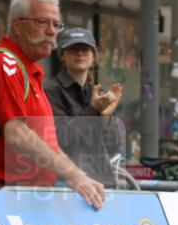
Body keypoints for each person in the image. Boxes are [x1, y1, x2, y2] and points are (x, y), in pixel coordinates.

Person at [0, 0, 104, 208]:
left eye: (56, 24)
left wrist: (80, 176)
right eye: (42, 22)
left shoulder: (28, 71)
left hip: (20, 200)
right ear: (17, 26)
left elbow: (48, 143)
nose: (51, 31)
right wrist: (74, 176)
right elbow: (17, 134)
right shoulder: (3, 64)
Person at [44, 27, 124, 187]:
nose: (79, 53)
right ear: (62, 55)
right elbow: (60, 139)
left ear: (93, 55)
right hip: (67, 184)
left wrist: (106, 118)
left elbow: (114, 145)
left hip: (102, 182)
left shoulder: (97, 93)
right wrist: (93, 111)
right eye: (73, 49)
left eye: (85, 49)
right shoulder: (51, 90)